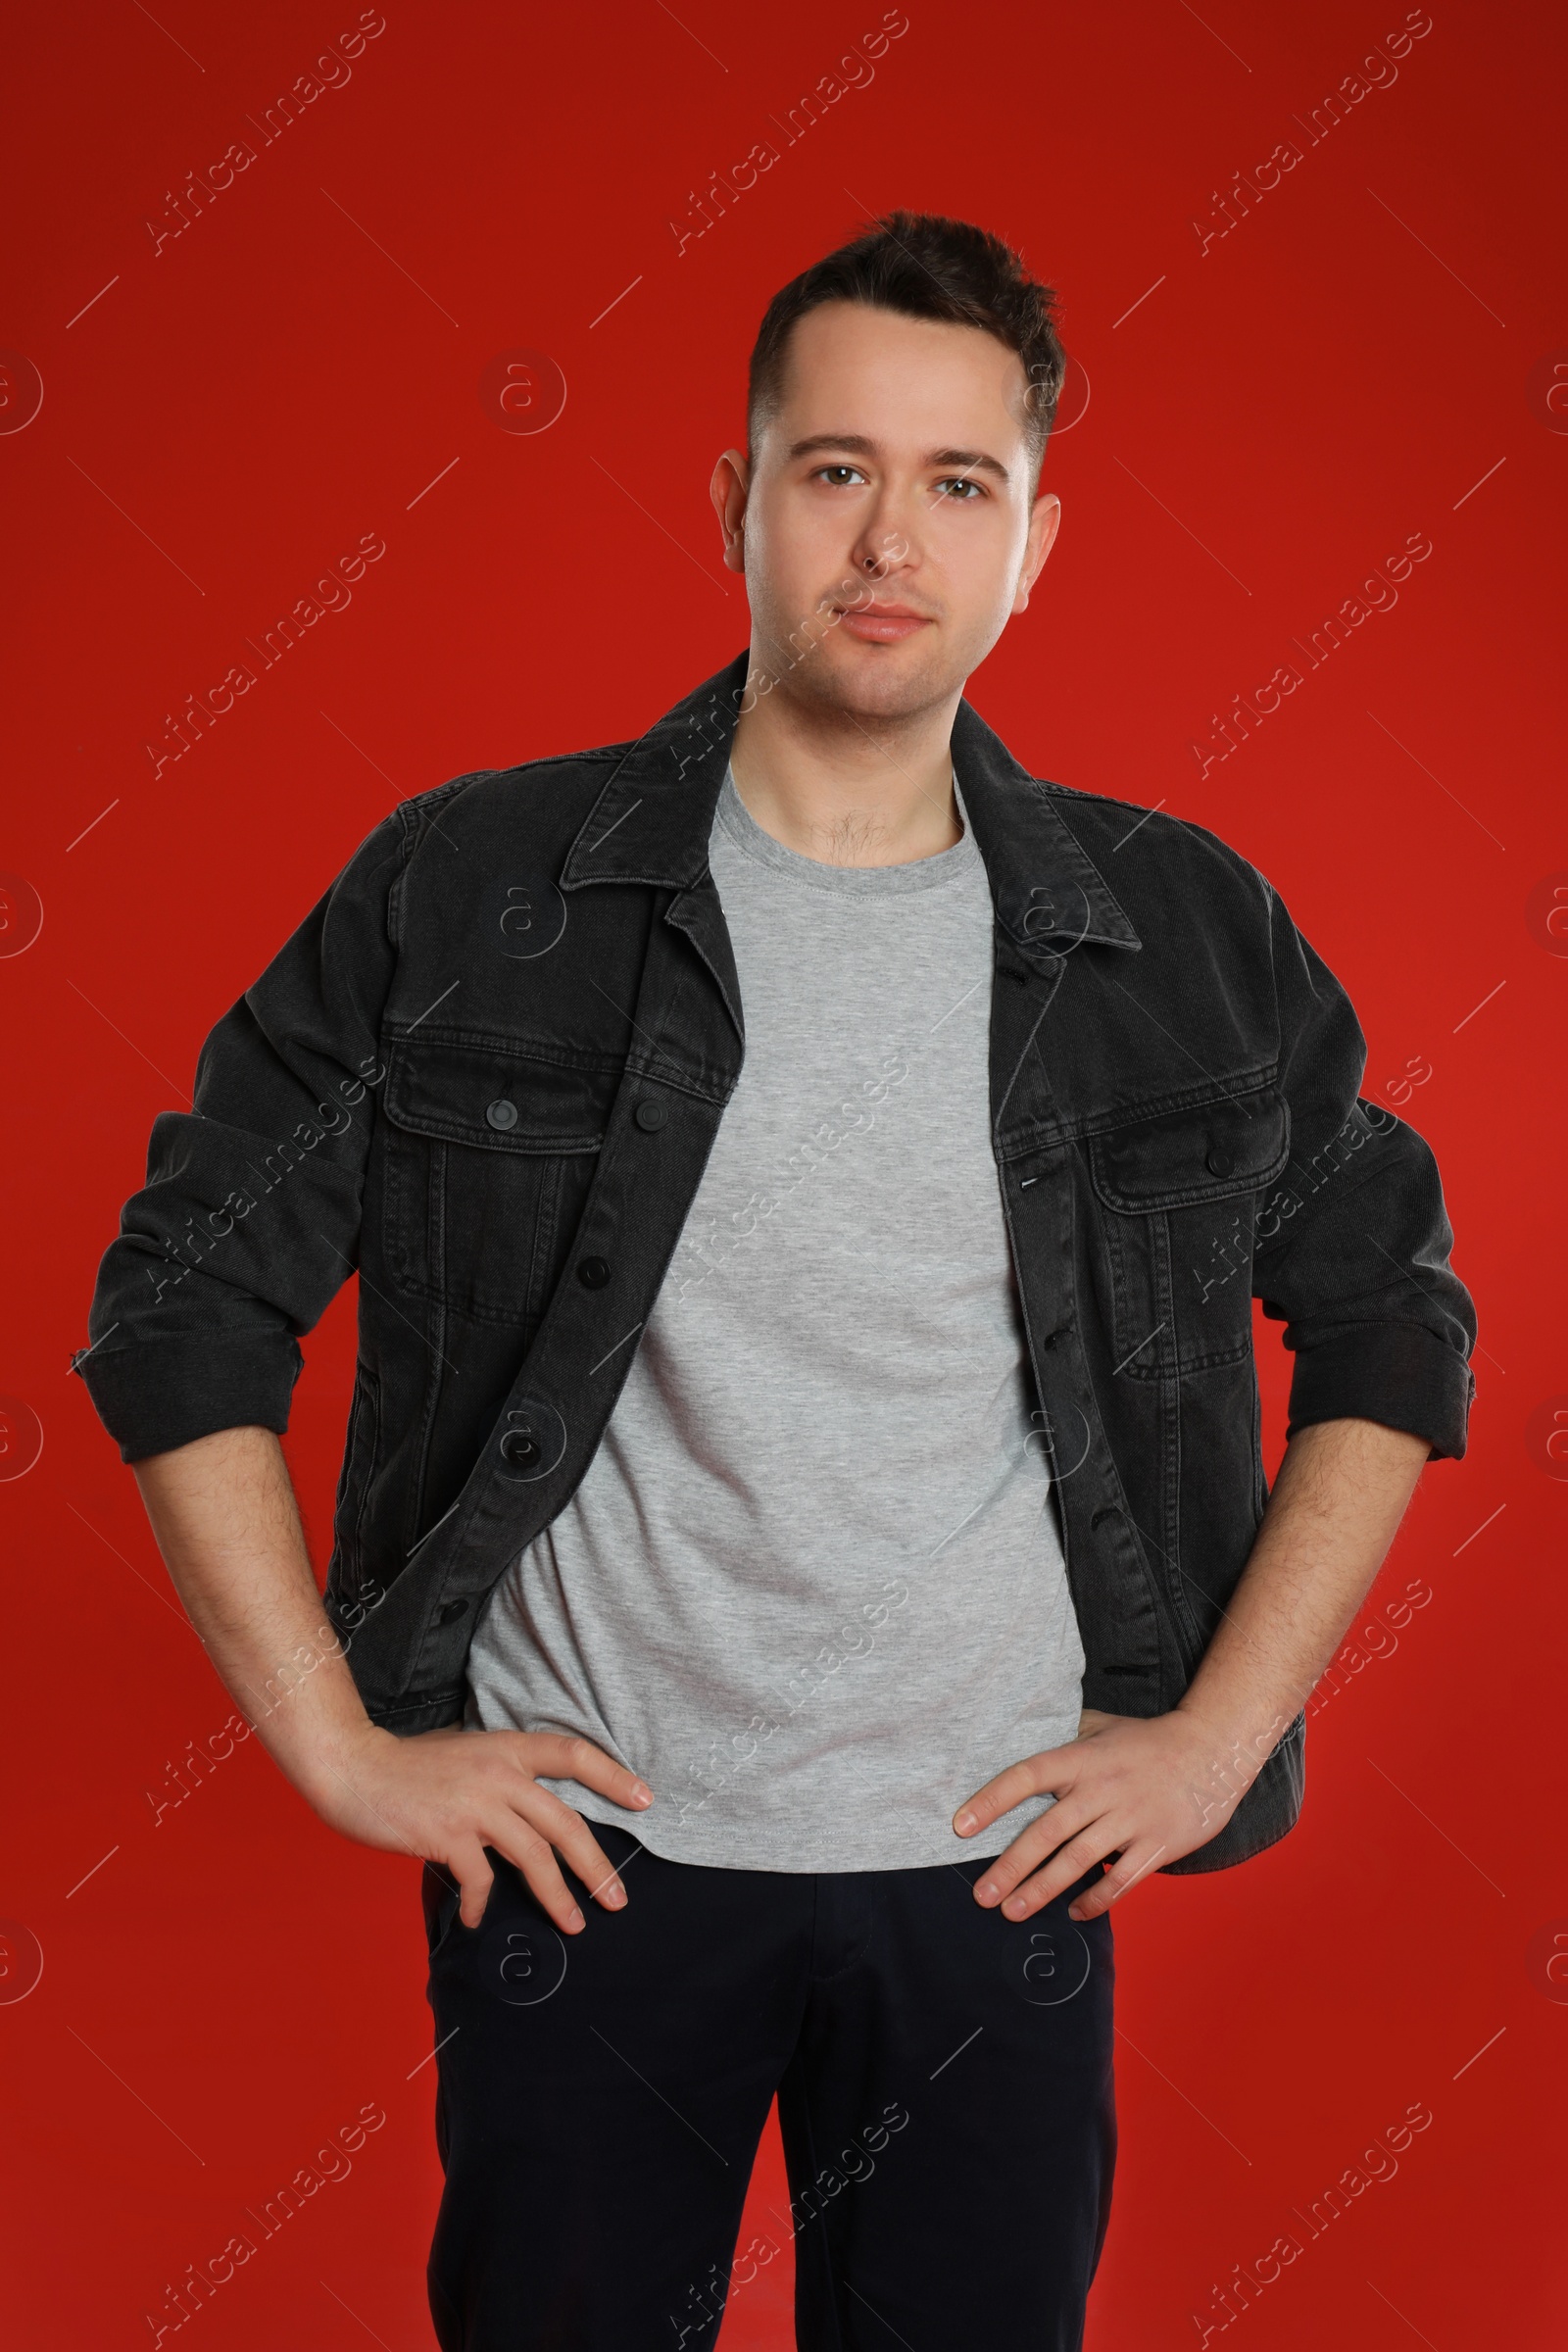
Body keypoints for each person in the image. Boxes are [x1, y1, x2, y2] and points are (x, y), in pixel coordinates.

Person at [75, 211, 1476, 2350]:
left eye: (955, 483)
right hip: (587, 1869)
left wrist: (1210, 1740)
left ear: (1034, 543)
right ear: (735, 502)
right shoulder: (474, 885)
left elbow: (1387, 1310)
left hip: (994, 1879)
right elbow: (182, 1293)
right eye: (832, 470)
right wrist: (340, 1750)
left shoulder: (1179, 931)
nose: (887, 538)